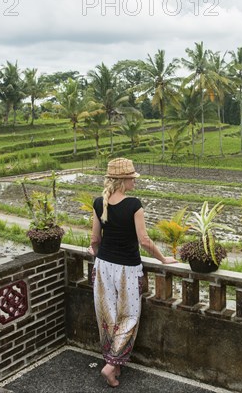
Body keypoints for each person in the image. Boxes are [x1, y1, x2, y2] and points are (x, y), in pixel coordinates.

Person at [90, 157, 176, 388]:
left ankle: (113, 362)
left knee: (107, 316)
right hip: (127, 269)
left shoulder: (99, 203)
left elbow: (95, 240)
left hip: (102, 267)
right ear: (123, 180)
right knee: (129, 317)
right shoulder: (134, 205)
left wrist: (97, 253)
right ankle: (110, 365)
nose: (135, 181)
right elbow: (145, 241)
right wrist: (163, 258)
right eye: (132, 178)